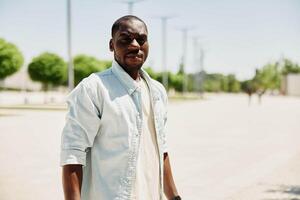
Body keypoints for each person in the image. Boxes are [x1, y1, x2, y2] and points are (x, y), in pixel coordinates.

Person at [60, 15, 181, 200]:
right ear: (111, 45)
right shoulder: (94, 88)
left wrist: (174, 197)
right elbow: (73, 155)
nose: (135, 45)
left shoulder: (157, 91)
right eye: (125, 39)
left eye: (141, 40)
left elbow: (161, 149)